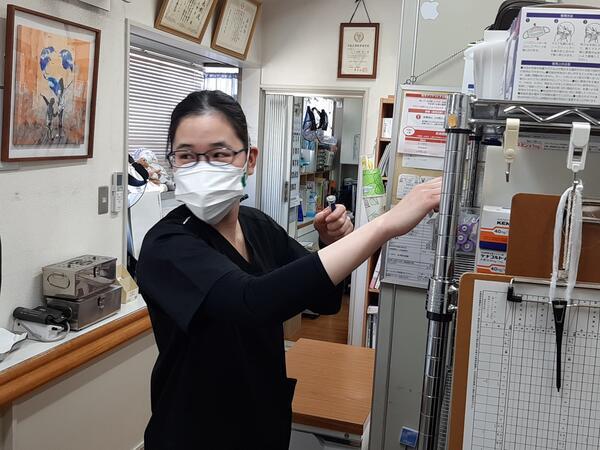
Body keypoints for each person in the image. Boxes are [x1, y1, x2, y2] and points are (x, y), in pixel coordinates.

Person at [136, 90, 441, 450]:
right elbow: (251, 303)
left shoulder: (256, 225)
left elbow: (325, 300)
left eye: (219, 154)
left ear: (249, 160)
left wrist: (329, 243)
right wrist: (384, 225)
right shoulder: (167, 245)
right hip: (194, 431)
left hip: (262, 421)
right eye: (187, 156)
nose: (202, 168)